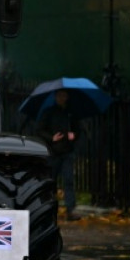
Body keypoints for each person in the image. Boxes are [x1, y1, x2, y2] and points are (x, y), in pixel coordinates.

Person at [36, 89, 82, 221]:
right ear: (56, 97)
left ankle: (70, 209)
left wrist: (74, 135)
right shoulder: (49, 112)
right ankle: (49, 208)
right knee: (51, 181)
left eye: (64, 96)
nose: (62, 98)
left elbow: (77, 129)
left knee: (69, 181)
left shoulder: (70, 113)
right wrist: (52, 138)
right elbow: (39, 129)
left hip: (67, 151)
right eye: (59, 96)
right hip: (53, 152)